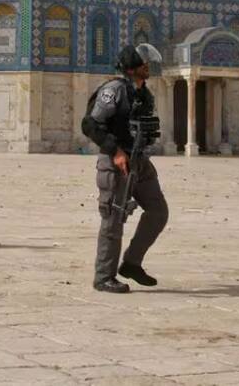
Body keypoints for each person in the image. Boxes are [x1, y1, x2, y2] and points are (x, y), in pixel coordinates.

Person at [85, 44, 166, 293]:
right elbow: (90, 125)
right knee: (113, 218)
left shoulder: (144, 93)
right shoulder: (114, 90)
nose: (148, 67)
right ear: (131, 68)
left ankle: (131, 263)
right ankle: (103, 277)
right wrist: (116, 151)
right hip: (116, 163)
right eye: (144, 64)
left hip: (139, 161)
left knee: (158, 211)